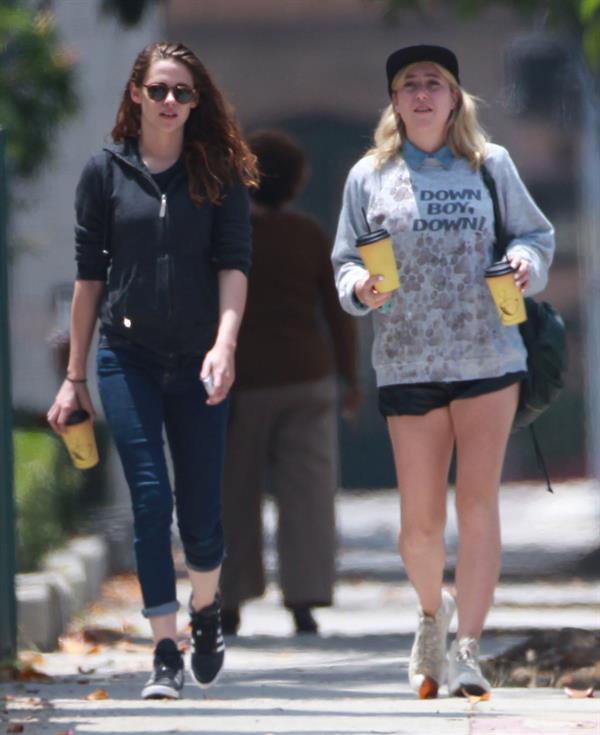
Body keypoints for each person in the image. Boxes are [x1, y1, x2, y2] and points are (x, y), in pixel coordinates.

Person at [331, 45, 554, 699]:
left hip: (490, 356)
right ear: (395, 103)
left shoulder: (490, 166)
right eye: (409, 85)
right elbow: (345, 258)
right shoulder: (369, 175)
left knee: (478, 503)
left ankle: (469, 649)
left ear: (455, 98)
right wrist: (359, 288)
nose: (422, 94)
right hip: (408, 361)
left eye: (434, 83)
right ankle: (433, 615)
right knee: (419, 525)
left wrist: (522, 262)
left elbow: (536, 237)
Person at [47, 41, 258, 700]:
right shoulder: (103, 173)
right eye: (160, 89)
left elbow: (234, 266)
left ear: (198, 103)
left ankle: (204, 612)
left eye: (183, 92)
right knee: (148, 496)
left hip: (200, 359)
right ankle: (163, 648)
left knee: (200, 511)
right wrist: (75, 374)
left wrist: (224, 346)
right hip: (125, 354)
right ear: (136, 93)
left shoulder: (218, 173)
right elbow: (89, 278)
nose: (171, 102)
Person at [219, 130, 360, 636]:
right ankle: (304, 599)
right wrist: (350, 377)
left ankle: (230, 599)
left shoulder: (228, 234)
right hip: (310, 376)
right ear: (297, 183)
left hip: (242, 382)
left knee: (234, 494)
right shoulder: (308, 234)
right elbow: (338, 313)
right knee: (309, 493)